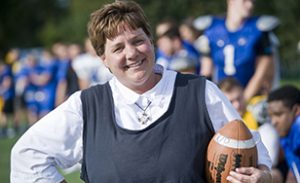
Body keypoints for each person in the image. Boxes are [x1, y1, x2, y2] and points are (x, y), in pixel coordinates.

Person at [11, 1, 272, 182]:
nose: (132, 53)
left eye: (138, 41)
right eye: (118, 48)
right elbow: (27, 155)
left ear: (151, 41)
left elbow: (255, 151)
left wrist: (262, 174)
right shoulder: (86, 107)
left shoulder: (199, 92)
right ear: (103, 59)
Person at [194, 0, 279, 101]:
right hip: (221, 95)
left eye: (252, 1)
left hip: (251, 97)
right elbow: (206, 71)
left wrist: (242, 100)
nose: (250, 5)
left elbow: (262, 72)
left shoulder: (259, 29)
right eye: (245, 1)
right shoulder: (212, 29)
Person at [267, 85, 300, 183]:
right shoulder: (287, 134)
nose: (274, 122)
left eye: (278, 114)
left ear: (296, 110)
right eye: (271, 116)